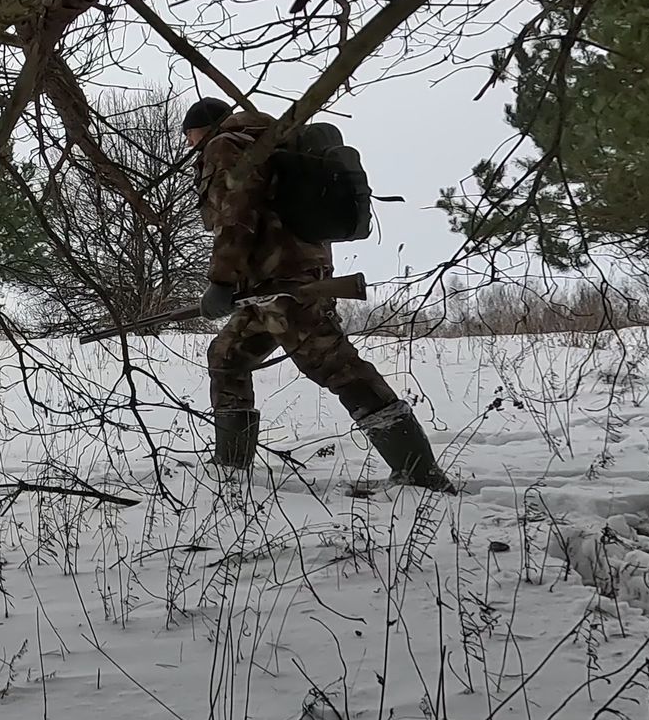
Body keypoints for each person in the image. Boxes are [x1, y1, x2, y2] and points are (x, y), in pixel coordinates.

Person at [183, 97, 454, 491]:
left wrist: (221, 280)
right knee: (226, 355)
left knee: (337, 366)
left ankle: (419, 473)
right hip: (271, 286)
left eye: (190, 134)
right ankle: (230, 468)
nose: (189, 143)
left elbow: (235, 215)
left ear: (203, 127)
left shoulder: (226, 145)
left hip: (283, 285)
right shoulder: (276, 142)